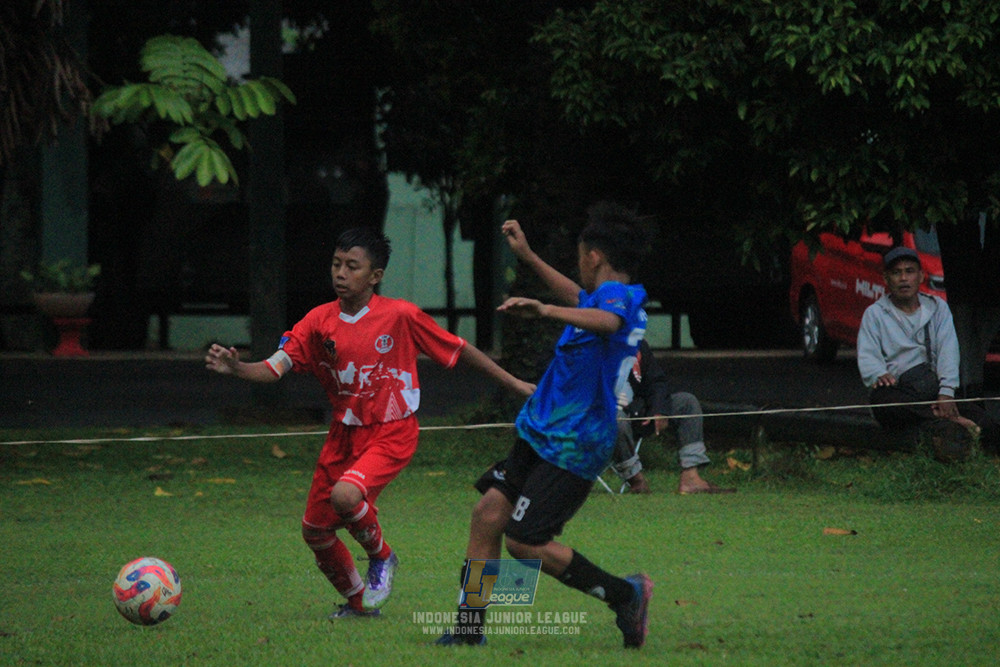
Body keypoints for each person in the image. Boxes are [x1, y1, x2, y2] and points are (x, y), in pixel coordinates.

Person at [205, 227, 534, 620]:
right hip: (343, 434)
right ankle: (360, 605)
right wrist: (237, 367)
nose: (340, 273)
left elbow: (460, 350)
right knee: (315, 531)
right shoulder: (317, 321)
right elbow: (276, 367)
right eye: (336, 264)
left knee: (346, 497)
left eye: (352, 267)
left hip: (391, 430)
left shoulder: (400, 315)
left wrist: (514, 383)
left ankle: (382, 557)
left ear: (375, 276)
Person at [438, 204, 654, 649]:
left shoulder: (622, 300)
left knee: (525, 542)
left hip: (575, 444)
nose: (578, 266)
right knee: (487, 516)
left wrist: (545, 311)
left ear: (592, 255)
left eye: (580, 256)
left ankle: (626, 593)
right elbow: (580, 298)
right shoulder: (601, 296)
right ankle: (468, 629)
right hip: (541, 432)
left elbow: (605, 320)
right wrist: (531, 258)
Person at [857, 245, 994, 447]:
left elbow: (948, 350)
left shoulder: (937, 308)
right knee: (885, 404)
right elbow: (867, 353)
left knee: (988, 424)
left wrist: (946, 392)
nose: (903, 279)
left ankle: (949, 417)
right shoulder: (875, 314)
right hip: (900, 390)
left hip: (934, 388)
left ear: (921, 276)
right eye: (896, 273)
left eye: (909, 271)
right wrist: (877, 373)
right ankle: (950, 420)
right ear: (886, 279)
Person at [609, 338, 736, 495]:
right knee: (615, 418)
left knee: (686, 402)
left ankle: (691, 478)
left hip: (638, 414)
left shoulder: (637, 344)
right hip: (601, 421)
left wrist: (658, 410)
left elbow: (657, 382)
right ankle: (635, 479)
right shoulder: (586, 347)